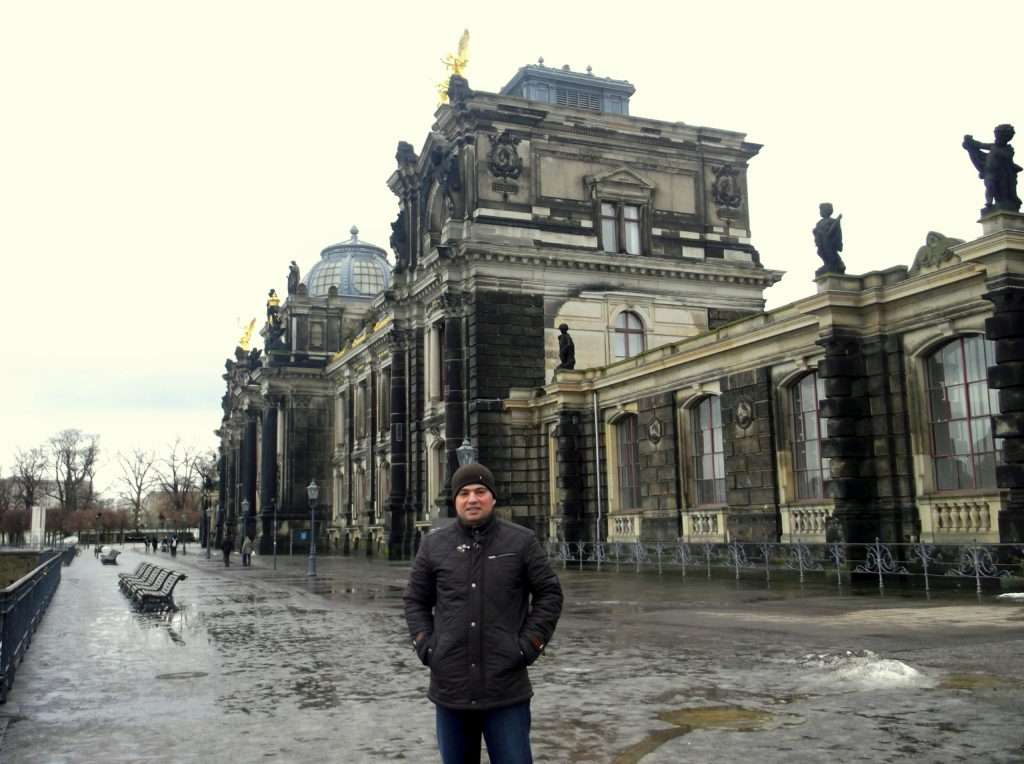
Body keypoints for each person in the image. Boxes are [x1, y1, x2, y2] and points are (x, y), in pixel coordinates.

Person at [404, 463, 563, 764]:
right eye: (464, 493)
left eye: (480, 491)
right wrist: (427, 646)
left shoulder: (521, 542)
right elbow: (415, 600)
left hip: (506, 689)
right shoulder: (433, 545)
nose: (472, 499)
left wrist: (529, 645)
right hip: (451, 689)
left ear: (493, 497)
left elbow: (550, 594)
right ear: (455, 501)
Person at [812, 202, 845, 275]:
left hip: (829, 241)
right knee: (820, 252)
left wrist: (836, 241)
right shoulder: (819, 222)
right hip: (821, 241)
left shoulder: (832, 221)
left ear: (827, 210)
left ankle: (837, 264)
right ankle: (827, 263)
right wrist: (815, 231)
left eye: (821, 210)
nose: (820, 212)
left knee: (830, 253)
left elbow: (837, 232)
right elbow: (816, 231)